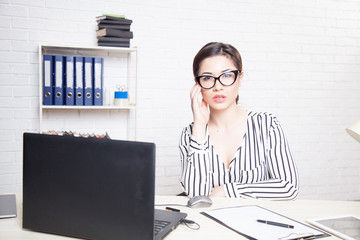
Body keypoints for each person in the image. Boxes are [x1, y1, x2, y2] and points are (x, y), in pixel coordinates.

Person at [179, 42, 298, 200]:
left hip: (257, 221)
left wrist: (228, 190)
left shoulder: (267, 125)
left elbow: (288, 187)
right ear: (197, 84)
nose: (218, 86)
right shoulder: (190, 134)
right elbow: (197, 196)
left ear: (239, 78)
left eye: (227, 75)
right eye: (207, 78)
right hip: (208, 222)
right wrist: (200, 127)